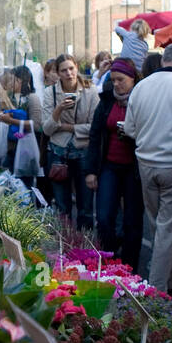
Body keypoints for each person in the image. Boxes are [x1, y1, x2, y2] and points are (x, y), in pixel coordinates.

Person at [123, 41, 172, 294]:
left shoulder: (140, 87)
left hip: (146, 164)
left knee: (160, 225)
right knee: (168, 229)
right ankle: (155, 290)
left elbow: (130, 129)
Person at [84, 58, 143, 271]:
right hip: (109, 165)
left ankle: (129, 268)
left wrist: (131, 134)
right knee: (104, 216)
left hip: (133, 168)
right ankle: (107, 262)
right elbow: (95, 135)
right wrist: (91, 171)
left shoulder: (141, 99)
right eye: (113, 80)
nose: (117, 84)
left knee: (132, 221)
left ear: (133, 78)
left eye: (121, 80)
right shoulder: (107, 100)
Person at [39, 55, 99, 229]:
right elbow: (47, 129)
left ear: (77, 68)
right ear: (58, 73)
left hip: (83, 152)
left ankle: (85, 247)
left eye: (71, 68)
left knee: (86, 206)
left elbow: (94, 126)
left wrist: (68, 127)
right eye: (64, 70)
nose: (69, 73)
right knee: (62, 207)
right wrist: (58, 110)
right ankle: (64, 247)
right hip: (58, 153)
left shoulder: (90, 91)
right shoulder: (50, 93)